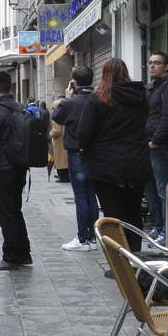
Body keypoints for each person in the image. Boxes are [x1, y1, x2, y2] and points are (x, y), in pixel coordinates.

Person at [77, 58, 150, 253]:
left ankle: (119, 264)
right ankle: (135, 258)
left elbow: (83, 134)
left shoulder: (98, 98)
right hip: (137, 161)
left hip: (105, 165)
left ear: (105, 74)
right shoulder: (142, 96)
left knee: (112, 216)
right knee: (133, 214)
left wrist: (86, 151)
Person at [0, 70, 32, 270]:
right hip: (18, 166)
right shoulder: (18, 107)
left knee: (6, 214)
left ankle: (11, 256)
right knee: (15, 211)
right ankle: (23, 253)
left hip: (2, 169)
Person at [52, 66, 99, 251]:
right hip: (95, 153)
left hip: (76, 151)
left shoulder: (71, 102)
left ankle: (82, 239)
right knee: (91, 195)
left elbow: (57, 117)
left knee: (80, 196)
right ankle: (94, 238)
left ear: (74, 82)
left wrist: (67, 98)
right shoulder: (98, 99)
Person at [144, 51, 168, 245]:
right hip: (151, 144)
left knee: (162, 190)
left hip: (161, 145)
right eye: (150, 63)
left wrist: (156, 140)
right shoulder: (156, 86)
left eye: (157, 63)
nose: (152, 66)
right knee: (151, 189)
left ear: (166, 66)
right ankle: (158, 227)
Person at [49, 104, 69, 183]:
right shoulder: (66, 114)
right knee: (65, 160)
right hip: (65, 139)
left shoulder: (57, 117)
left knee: (60, 160)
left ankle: (63, 177)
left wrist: (50, 133)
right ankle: (65, 176)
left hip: (59, 141)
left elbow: (57, 131)